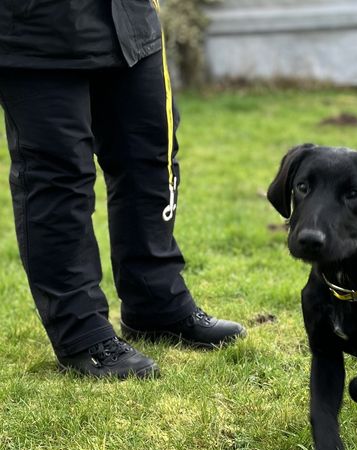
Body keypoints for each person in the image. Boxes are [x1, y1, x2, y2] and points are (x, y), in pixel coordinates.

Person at [0, 0, 245, 379]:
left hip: (129, 20)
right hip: (37, 28)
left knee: (149, 156)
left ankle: (156, 303)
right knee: (58, 177)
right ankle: (82, 333)